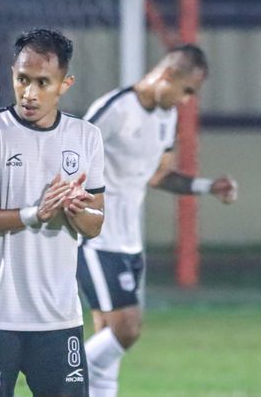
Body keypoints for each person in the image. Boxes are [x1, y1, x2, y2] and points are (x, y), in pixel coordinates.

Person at [0, 28, 106, 396]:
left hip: (59, 317)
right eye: (23, 79)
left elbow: (96, 224)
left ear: (65, 83)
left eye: (42, 82)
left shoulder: (86, 137)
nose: (30, 93)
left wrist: (74, 209)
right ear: (12, 75)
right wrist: (33, 214)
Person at [77, 44, 239, 397]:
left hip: (130, 241)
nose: (188, 100)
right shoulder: (115, 108)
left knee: (109, 340)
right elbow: (67, 153)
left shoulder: (167, 117)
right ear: (167, 76)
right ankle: (58, 376)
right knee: (127, 329)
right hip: (96, 237)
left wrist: (208, 186)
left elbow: (158, 176)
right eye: (187, 90)